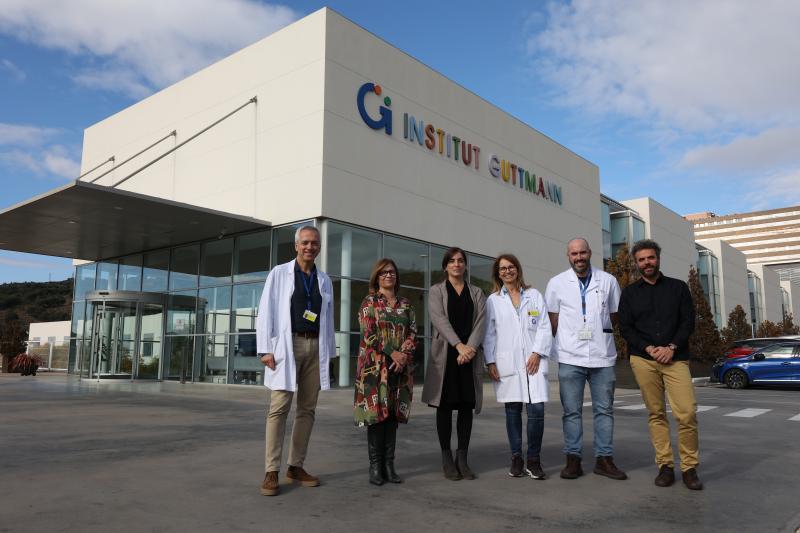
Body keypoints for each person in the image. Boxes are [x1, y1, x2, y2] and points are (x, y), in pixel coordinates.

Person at [256, 225, 336, 497]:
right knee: (278, 408)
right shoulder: (279, 273)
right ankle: (271, 470)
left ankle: (295, 466)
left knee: (307, 410)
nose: (309, 247)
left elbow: (328, 318)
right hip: (286, 345)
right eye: (305, 242)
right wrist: (265, 349)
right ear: (296, 245)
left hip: (315, 346)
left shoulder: (324, 279)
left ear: (319, 247)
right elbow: (265, 311)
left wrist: (329, 353)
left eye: (314, 243)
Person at [618, 239, 702, 490]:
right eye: (642, 259)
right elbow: (626, 328)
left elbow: (687, 322)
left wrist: (671, 347)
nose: (647, 263)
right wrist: (649, 348)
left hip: (675, 358)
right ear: (636, 263)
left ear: (658, 258)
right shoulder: (630, 293)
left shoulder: (678, 288)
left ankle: (689, 467)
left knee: (686, 413)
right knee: (656, 414)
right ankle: (665, 466)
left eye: (650, 258)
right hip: (644, 360)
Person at [545, 238, 627, 481]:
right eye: (574, 254)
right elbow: (552, 319)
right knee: (571, 412)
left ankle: (604, 459)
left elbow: (615, 314)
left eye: (582, 252)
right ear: (568, 256)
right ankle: (573, 460)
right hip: (570, 356)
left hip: (602, 356)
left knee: (605, 410)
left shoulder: (608, 281)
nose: (579, 257)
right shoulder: (557, 283)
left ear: (590, 253)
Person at [483, 253, 552, 479]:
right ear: (498, 273)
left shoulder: (533, 295)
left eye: (511, 267)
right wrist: (491, 361)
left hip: (533, 363)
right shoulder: (493, 300)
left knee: (537, 411)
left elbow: (544, 326)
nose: (507, 271)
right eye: (502, 268)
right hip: (507, 364)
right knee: (512, 412)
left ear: (518, 270)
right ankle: (516, 458)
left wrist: (537, 352)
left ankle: (533, 459)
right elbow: (489, 333)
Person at [422, 247, 487, 480]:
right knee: (445, 408)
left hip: (468, 356)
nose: (457, 264)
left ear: (465, 265)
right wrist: (459, 346)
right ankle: (447, 458)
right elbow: (438, 319)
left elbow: (481, 322)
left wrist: (468, 349)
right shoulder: (436, 290)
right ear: (445, 266)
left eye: (460, 261)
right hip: (447, 356)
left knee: (466, 408)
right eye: (452, 261)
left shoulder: (477, 292)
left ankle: (463, 458)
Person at [354, 258, 418, 486]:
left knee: (392, 418)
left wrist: (403, 356)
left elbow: (412, 333)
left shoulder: (406, 304)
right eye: (384, 273)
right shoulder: (369, 302)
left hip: (399, 370)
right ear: (377, 277)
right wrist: (393, 353)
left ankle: (389, 465)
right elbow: (368, 333)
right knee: (376, 418)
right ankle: (375, 466)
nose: (389, 275)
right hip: (374, 369)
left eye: (392, 272)